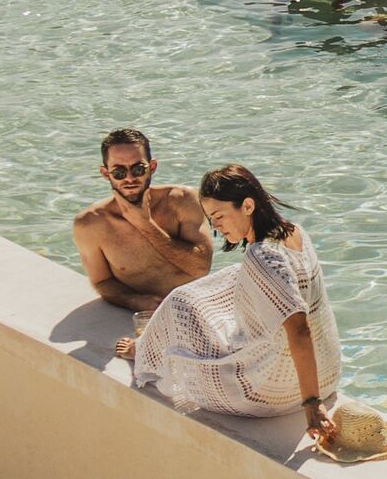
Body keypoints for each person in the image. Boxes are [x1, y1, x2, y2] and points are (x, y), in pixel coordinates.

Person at [115, 163, 344, 448]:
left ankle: (145, 349)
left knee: (179, 304)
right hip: (326, 375)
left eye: (219, 216)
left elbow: (299, 330)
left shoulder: (263, 257)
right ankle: (149, 344)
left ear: (247, 206)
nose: (215, 227)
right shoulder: (294, 232)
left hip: (272, 391)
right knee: (231, 278)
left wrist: (312, 404)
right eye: (211, 219)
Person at [71, 126, 214, 312]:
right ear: (106, 174)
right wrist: (134, 301)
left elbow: (200, 268)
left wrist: (146, 224)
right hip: (142, 315)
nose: (130, 178)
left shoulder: (182, 200)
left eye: (138, 169)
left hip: (193, 307)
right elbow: (102, 281)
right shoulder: (90, 224)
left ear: (152, 167)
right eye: (119, 172)